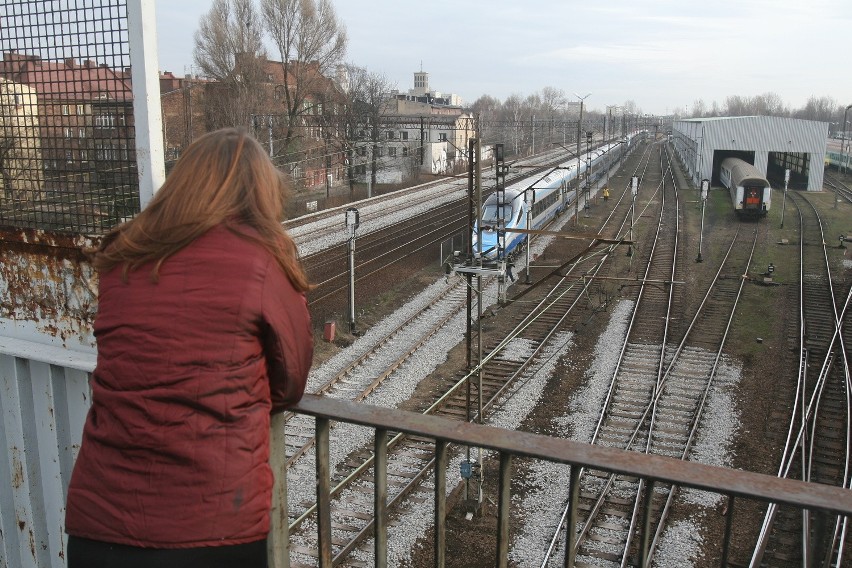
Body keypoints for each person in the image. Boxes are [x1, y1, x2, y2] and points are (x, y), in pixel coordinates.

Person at [65, 128, 313, 568]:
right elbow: (290, 381)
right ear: (259, 193)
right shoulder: (261, 260)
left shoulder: (124, 253)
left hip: (100, 525)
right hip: (212, 526)